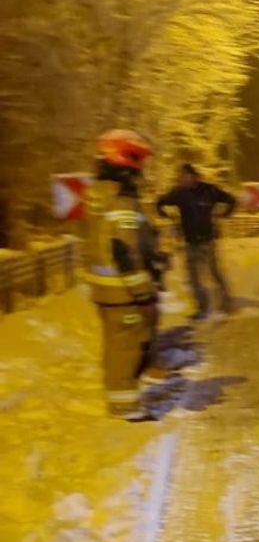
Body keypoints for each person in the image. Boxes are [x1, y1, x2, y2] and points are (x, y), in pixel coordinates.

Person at [83, 129, 170, 420]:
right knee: (126, 348)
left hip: (105, 289)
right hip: (124, 291)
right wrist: (144, 293)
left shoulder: (98, 193)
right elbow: (126, 253)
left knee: (115, 344)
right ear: (128, 159)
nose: (142, 168)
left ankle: (119, 393)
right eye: (139, 161)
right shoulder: (122, 198)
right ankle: (125, 406)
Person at [156, 163, 237, 319]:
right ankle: (201, 308)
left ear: (193, 177)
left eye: (183, 176)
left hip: (208, 240)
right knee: (193, 277)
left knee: (214, 273)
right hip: (190, 242)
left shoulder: (210, 191)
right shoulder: (179, 193)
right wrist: (165, 215)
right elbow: (160, 202)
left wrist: (224, 215)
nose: (180, 179)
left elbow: (231, 200)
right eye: (179, 176)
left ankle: (226, 303)